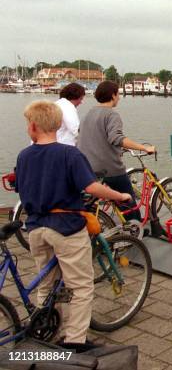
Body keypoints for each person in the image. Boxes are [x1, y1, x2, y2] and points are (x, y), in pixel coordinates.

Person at [15, 101, 131, 346]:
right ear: (58, 125)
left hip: (35, 228)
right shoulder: (69, 154)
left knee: (46, 282)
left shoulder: (24, 156)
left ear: (33, 127)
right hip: (65, 226)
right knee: (80, 287)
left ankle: (44, 330)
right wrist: (120, 196)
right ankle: (75, 341)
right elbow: (91, 187)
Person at [77, 81, 155, 223]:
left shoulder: (87, 114)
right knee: (127, 199)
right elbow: (116, 138)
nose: (119, 97)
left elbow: (87, 138)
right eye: (118, 94)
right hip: (109, 168)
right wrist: (144, 147)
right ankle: (135, 230)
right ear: (113, 95)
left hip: (86, 167)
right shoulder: (111, 115)